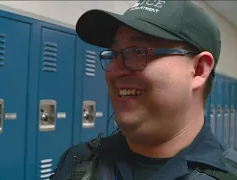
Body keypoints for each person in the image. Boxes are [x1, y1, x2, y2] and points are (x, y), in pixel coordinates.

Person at [50, 0, 237, 179]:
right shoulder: (77, 164)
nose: (114, 71)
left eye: (138, 52)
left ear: (198, 70)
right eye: (114, 54)